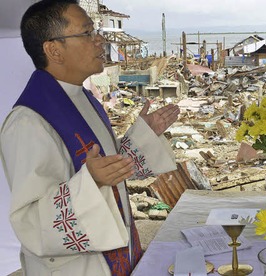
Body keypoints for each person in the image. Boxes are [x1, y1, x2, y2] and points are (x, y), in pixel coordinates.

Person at [0, 1, 180, 275]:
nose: (100, 41)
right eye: (87, 33)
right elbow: (31, 221)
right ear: (54, 50)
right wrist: (92, 182)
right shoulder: (28, 121)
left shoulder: (82, 98)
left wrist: (143, 135)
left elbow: (103, 165)